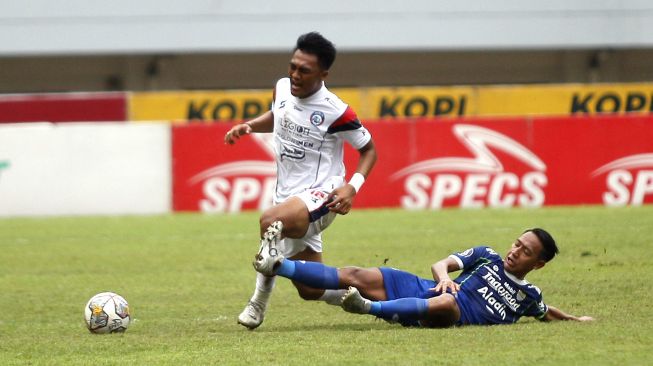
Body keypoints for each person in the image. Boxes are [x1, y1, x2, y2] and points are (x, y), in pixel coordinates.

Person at [224, 32, 377, 329]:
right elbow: (277, 115)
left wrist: (352, 187)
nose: (294, 75)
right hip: (289, 198)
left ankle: (257, 304)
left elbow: (369, 149)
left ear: (323, 74)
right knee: (311, 289)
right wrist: (249, 126)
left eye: (304, 70)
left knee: (270, 222)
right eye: (293, 66)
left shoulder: (337, 111)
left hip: (324, 195)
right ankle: (375, 299)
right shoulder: (282, 88)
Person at [254, 223, 595, 327]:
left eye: (525, 251)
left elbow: (545, 312)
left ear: (538, 264)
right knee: (355, 273)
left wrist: (575, 319)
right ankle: (278, 266)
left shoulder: (528, 295)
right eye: (517, 243)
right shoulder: (486, 255)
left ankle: (367, 308)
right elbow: (440, 265)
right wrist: (444, 276)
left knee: (448, 302)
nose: (514, 251)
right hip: (423, 288)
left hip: (449, 312)